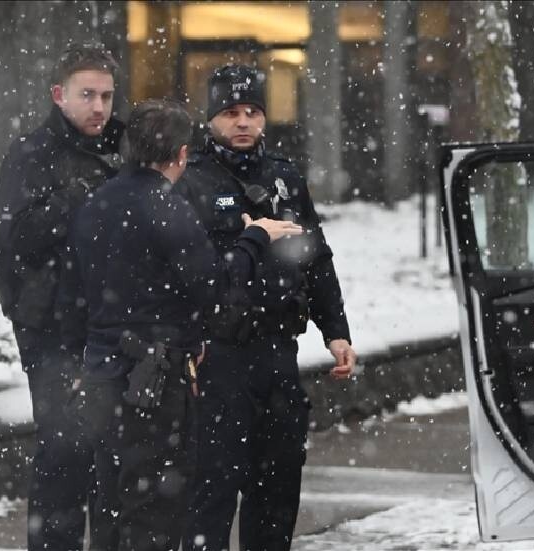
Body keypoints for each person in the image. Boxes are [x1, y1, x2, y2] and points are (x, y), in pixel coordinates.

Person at [58, 99, 303, 551]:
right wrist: (255, 238)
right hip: (152, 379)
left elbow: (71, 295)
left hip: (101, 376)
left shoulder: (96, 203)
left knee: (109, 503)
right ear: (182, 155)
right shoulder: (164, 207)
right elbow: (214, 287)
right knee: (155, 511)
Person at [176, 65, 356, 551]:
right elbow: (183, 273)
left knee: (277, 490)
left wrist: (335, 330)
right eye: (230, 113)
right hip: (218, 357)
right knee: (211, 491)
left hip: (277, 353)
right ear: (210, 119)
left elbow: (316, 259)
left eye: (252, 112)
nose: (242, 122)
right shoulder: (190, 182)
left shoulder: (284, 178)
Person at [0, 43, 122, 551]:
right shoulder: (32, 153)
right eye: (87, 94)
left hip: (109, 323)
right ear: (58, 95)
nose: (98, 107)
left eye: (107, 96)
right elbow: (17, 238)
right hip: (50, 327)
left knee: (109, 457)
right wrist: (77, 192)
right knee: (64, 455)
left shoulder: (122, 148)